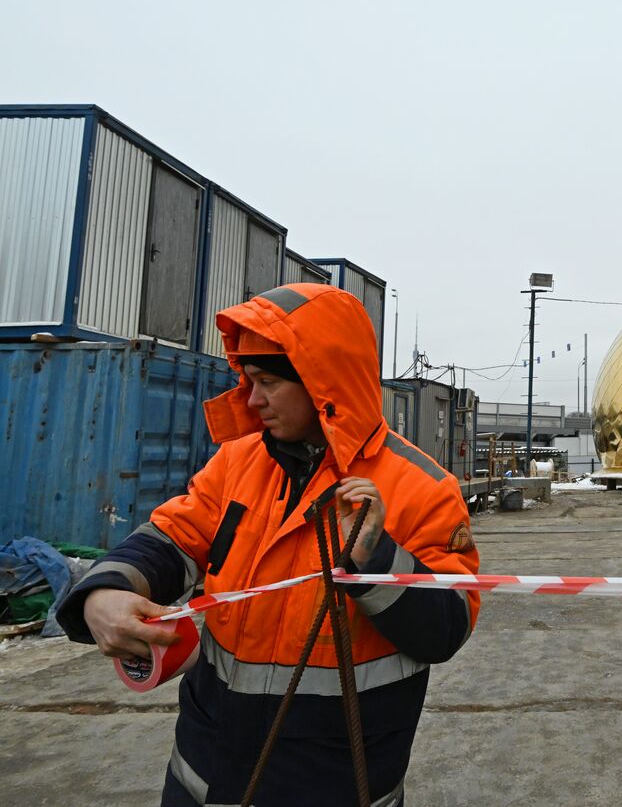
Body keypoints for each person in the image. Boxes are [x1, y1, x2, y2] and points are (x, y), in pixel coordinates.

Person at [56, 284, 480, 807]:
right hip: (205, 770)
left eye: (268, 382)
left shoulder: (421, 486)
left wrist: (374, 559)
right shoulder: (238, 462)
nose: (252, 400)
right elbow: (174, 536)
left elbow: (446, 629)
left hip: (333, 778)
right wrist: (107, 589)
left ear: (326, 386)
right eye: (248, 381)